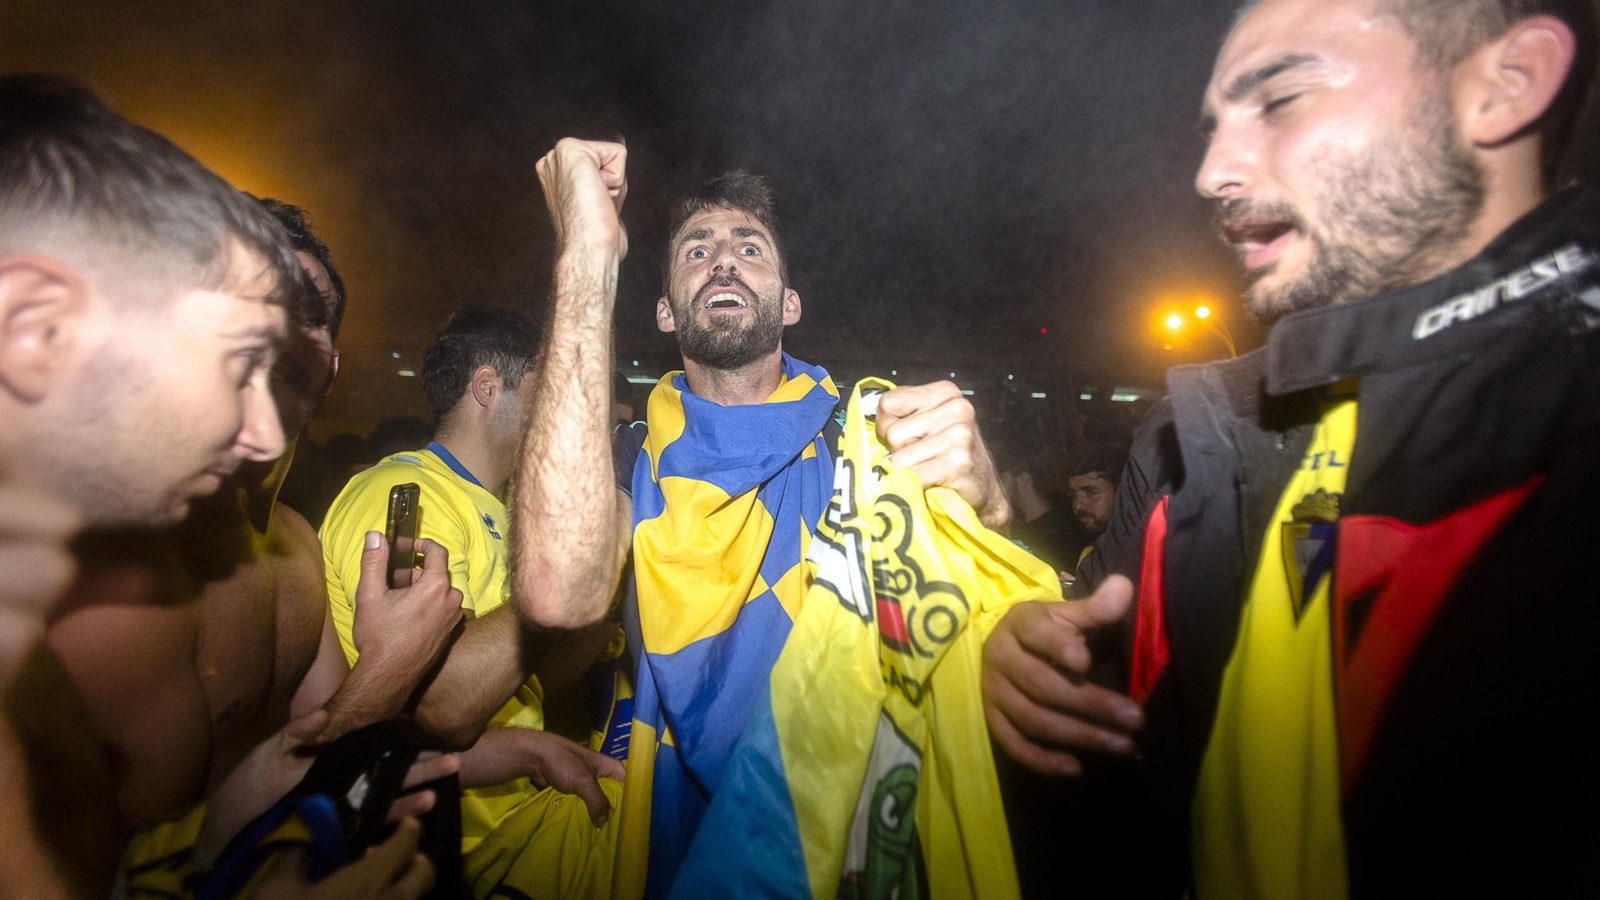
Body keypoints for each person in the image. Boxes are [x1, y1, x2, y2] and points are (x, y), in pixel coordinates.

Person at [985, 0, 1600, 896]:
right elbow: (1105, 745)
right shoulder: (1191, 432)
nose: (1210, 172)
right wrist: (1020, 649)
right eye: (1214, 125)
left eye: (1282, 99)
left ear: (1506, 86)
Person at [511, 143, 1010, 897]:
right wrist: (586, 253)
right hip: (665, 846)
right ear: (663, 305)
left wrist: (991, 502)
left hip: (841, 843)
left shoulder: (867, 442)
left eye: (750, 248)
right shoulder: (624, 459)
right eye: (696, 250)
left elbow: (981, 625)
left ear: (789, 302)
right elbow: (557, 591)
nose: (723, 262)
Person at [0, 76, 444, 897]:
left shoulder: (295, 545)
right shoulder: (103, 589)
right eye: (240, 352)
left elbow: (176, 837)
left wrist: (256, 848)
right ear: (35, 326)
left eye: (294, 332)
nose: (263, 428)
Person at [320, 302, 625, 899]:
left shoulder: (504, 511)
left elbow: (530, 683)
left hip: (518, 825)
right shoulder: (405, 496)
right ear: (489, 387)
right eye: (551, 388)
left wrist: (600, 589)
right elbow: (444, 702)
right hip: (447, 857)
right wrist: (567, 566)